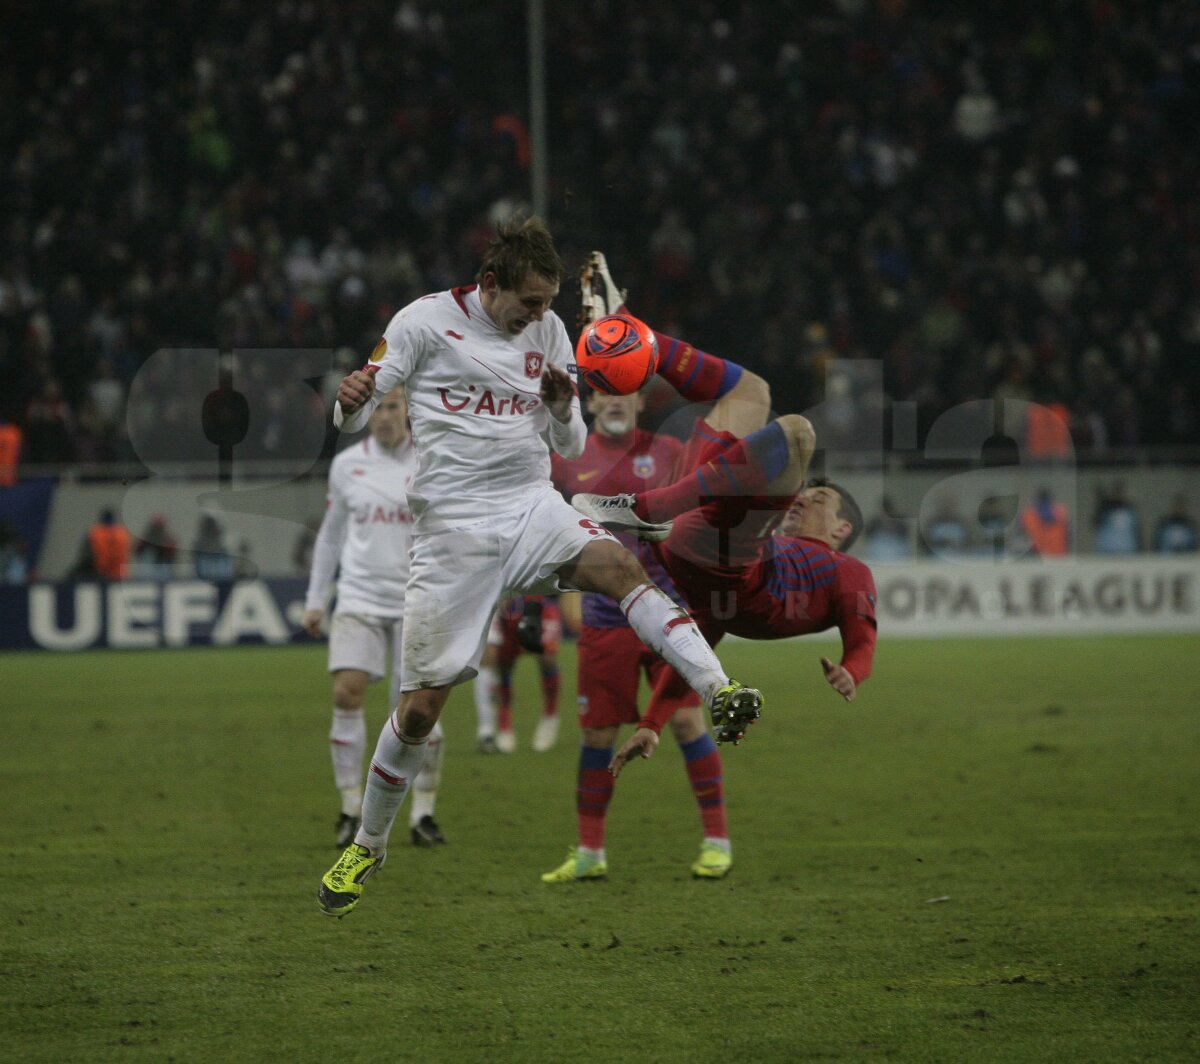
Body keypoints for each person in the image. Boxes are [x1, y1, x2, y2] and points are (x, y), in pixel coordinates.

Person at [318, 216, 760, 917]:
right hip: (452, 528)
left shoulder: (551, 332)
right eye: (528, 301)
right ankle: (369, 844)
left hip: (528, 503)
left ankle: (719, 687)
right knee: (420, 711)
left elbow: (571, 440)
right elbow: (359, 402)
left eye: (548, 302)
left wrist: (560, 408)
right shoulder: (422, 322)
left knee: (619, 566)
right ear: (490, 284)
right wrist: (345, 406)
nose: (540, 315)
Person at [568, 252, 878, 775]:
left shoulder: (848, 572)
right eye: (808, 495)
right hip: (710, 528)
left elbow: (862, 639)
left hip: (721, 550)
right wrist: (650, 723)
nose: (805, 498)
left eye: (820, 501)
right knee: (752, 389)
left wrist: (852, 671)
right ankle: (634, 337)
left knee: (799, 431)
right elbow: (699, 639)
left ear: (843, 530)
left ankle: (649, 507)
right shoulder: (761, 555)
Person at [541, 385, 735, 882]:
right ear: (589, 404)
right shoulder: (568, 460)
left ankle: (717, 841)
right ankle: (589, 851)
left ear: (640, 403)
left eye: (623, 394)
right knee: (596, 735)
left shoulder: (668, 453)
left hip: (665, 612)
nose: (613, 402)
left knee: (688, 724)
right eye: (603, 393)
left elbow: (699, 512)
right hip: (604, 619)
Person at [304, 388, 447, 850]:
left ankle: (423, 813)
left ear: (408, 410)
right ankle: (349, 806)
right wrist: (315, 598)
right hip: (359, 596)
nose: (383, 417)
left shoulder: (433, 460)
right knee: (346, 692)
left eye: (392, 407)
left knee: (419, 714)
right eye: (376, 409)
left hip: (418, 600)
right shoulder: (347, 467)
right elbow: (331, 535)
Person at [473, 595, 562, 754]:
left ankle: (550, 717)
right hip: (509, 609)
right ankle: (505, 726)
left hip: (539, 604)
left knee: (547, 658)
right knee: (504, 666)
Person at [1020, 487, 1071, 557]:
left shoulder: (1028, 515)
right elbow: (1068, 536)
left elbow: (1022, 538)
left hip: (1038, 556)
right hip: (1059, 554)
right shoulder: (1061, 513)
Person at [84, 508, 131, 581]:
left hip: (100, 574)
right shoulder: (122, 534)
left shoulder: (95, 533)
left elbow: (87, 554)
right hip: (119, 574)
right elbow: (127, 552)